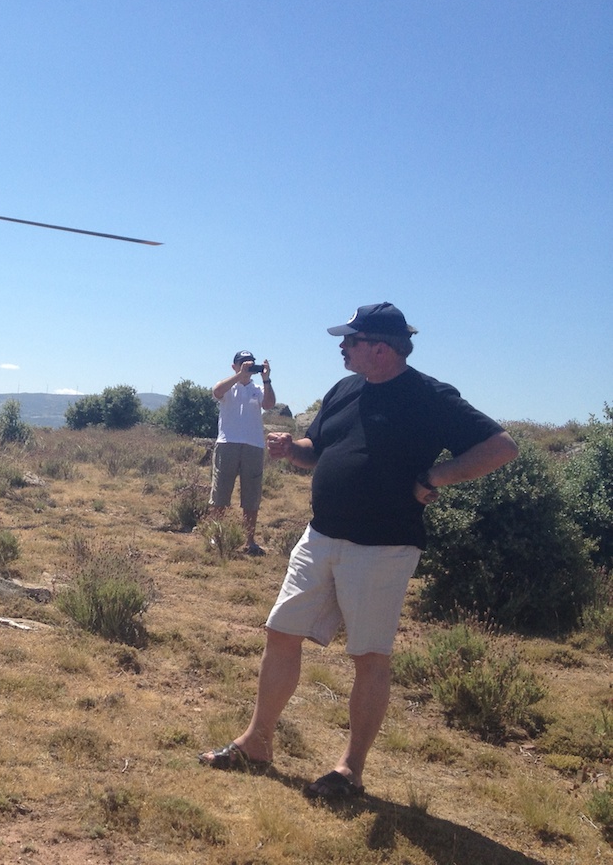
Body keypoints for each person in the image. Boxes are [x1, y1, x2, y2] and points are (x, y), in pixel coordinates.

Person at [198, 302, 518, 799]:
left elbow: (501, 447)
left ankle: (350, 769)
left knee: (369, 656)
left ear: (381, 349)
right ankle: (257, 742)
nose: (342, 347)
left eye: (351, 340)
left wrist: (435, 477)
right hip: (321, 535)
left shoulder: (430, 396)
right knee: (281, 632)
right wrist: (292, 450)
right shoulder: (345, 390)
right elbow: (317, 450)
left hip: (383, 547)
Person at [210, 350, 276, 555]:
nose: (247, 366)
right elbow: (216, 391)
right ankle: (217, 536)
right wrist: (240, 376)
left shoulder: (258, 389)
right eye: (243, 363)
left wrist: (266, 379)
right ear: (234, 366)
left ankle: (249, 540)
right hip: (227, 443)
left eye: (250, 363)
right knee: (220, 491)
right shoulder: (228, 386)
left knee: (251, 495)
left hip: (253, 445)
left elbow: (269, 404)